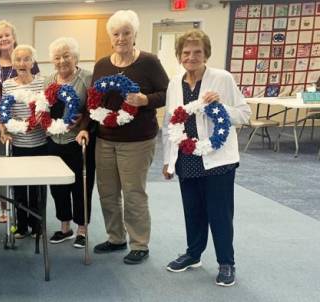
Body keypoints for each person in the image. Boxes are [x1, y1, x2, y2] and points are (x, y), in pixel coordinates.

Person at [77, 10, 169, 264]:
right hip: (105, 139)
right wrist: (85, 127)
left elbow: (167, 93)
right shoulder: (102, 64)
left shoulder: (148, 62)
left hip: (137, 141)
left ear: (134, 34)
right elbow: (93, 103)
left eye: (126, 33)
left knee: (133, 192)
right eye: (116, 34)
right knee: (107, 192)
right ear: (110, 37)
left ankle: (139, 243)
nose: (121, 38)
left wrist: (145, 100)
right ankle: (115, 237)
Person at [162, 29, 251, 287]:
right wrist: (168, 161)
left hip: (218, 159)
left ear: (206, 54)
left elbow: (244, 114)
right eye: (186, 52)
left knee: (219, 213)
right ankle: (193, 254)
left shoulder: (221, 79)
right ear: (179, 56)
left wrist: (220, 106)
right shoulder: (174, 83)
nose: (191, 57)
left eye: (197, 52)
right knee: (193, 211)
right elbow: (170, 122)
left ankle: (226, 262)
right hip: (187, 158)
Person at [0, 20, 40, 223]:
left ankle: (31, 214)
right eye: (0, 36)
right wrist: (2, 125)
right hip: (1, 125)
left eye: (7, 35)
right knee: (3, 167)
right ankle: (4, 207)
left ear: (14, 37)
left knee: (28, 173)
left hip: (31, 129)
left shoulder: (27, 59)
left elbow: (38, 93)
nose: (4, 39)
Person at [42, 37, 95, 248]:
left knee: (81, 185)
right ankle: (64, 227)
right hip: (54, 141)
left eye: (67, 56)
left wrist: (82, 126)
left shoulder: (87, 78)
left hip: (78, 140)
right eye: (57, 57)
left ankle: (82, 229)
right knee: (58, 187)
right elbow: (44, 107)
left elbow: (93, 109)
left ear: (75, 58)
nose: (62, 61)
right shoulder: (49, 80)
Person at [0, 45, 46, 239]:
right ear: (13, 63)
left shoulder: (41, 83)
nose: (22, 63)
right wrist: (3, 131)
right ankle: (22, 226)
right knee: (19, 188)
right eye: (18, 60)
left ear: (33, 62)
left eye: (26, 59)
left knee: (37, 188)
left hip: (39, 142)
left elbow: (46, 109)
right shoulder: (8, 85)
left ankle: (37, 226)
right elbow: (3, 113)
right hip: (17, 143)